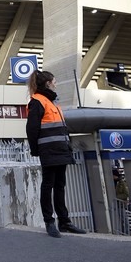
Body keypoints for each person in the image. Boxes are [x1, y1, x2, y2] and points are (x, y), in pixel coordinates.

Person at [25, 70, 86, 238]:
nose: (56, 83)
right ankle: (49, 222)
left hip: (61, 150)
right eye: (54, 81)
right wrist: (35, 149)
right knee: (48, 185)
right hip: (49, 151)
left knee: (60, 185)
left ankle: (64, 222)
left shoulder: (53, 103)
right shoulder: (37, 101)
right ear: (48, 83)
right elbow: (32, 128)